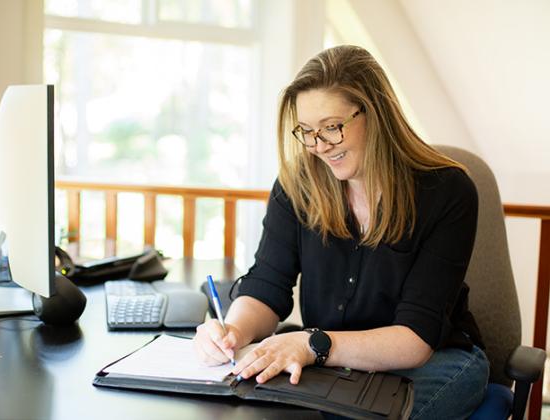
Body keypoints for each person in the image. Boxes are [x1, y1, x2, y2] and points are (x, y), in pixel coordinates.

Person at [193, 45, 489, 419]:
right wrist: (232, 331)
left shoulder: (447, 192)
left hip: (433, 361)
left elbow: (415, 340)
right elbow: (266, 286)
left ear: (376, 113)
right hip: (330, 357)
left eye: (331, 127)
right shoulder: (297, 185)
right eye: (307, 132)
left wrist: (313, 344)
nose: (318, 146)